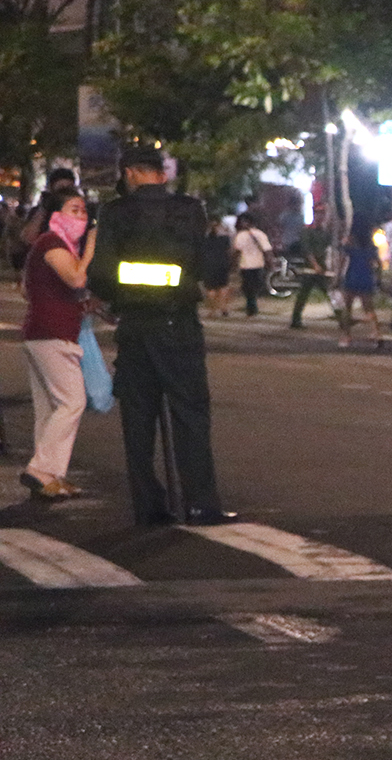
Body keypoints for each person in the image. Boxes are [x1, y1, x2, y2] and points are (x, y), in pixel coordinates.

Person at [85, 144, 233, 526]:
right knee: (191, 415)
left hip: (135, 326)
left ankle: (149, 506)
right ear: (161, 173)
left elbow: (101, 273)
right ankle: (201, 504)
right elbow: (209, 266)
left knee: (138, 419)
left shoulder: (116, 213)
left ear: (131, 173)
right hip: (179, 323)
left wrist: (117, 298)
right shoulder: (190, 210)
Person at [19, 186, 98, 500]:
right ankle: (40, 470)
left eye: (83, 210)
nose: (81, 216)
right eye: (73, 209)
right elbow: (76, 278)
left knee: (50, 409)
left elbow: (37, 290)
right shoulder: (51, 242)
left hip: (44, 332)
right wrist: (91, 247)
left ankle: (50, 475)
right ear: (55, 215)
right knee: (72, 402)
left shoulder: (57, 245)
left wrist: (85, 306)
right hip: (51, 334)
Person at [336, 225, 384, 349]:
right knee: (369, 308)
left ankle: (346, 336)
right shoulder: (371, 247)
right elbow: (378, 264)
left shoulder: (350, 246)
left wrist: (338, 278)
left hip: (352, 276)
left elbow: (342, 262)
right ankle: (376, 333)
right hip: (366, 277)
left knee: (347, 308)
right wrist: (378, 277)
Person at [232, 211, 273, 317]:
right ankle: (252, 305)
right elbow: (267, 250)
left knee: (247, 286)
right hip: (258, 264)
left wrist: (233, 264)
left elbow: (236, 251)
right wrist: (270, 262)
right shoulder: (260, 234)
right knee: (255, 286)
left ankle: (251, 306)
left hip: (245, 265)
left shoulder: (240, 236)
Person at [199, 218, 234, 319]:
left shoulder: (204, 240)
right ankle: (224, 308)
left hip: (209, 265)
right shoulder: (224, 239)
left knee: (211, 289)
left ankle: (212, 311)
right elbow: (230, 251)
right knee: (223, 287)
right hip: (222, 264)